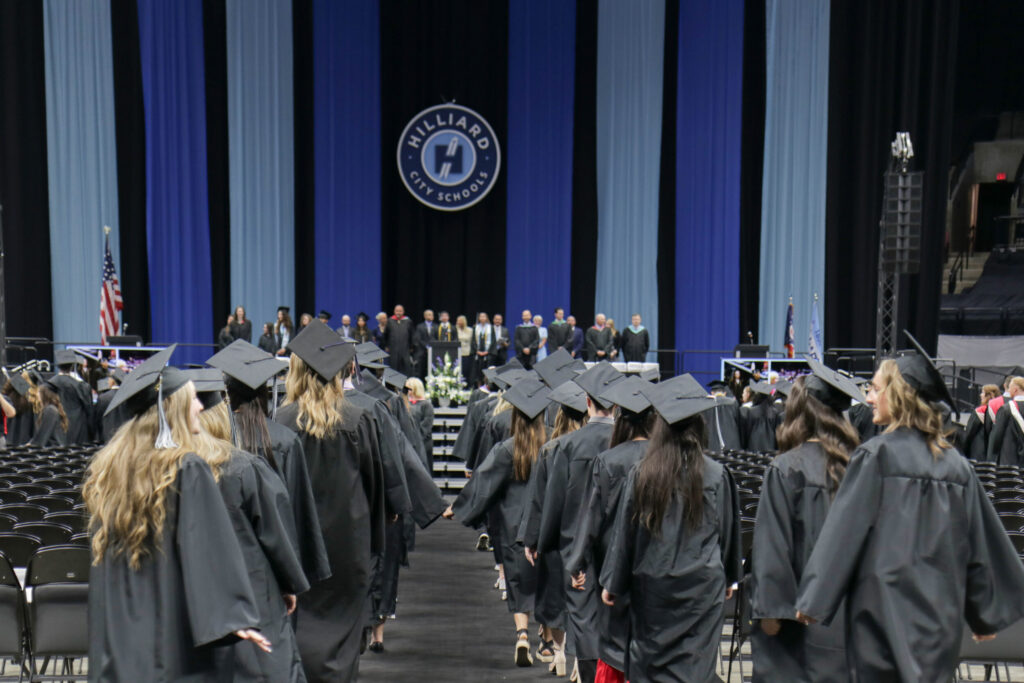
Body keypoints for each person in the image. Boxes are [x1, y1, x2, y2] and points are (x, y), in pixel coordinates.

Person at [795, 333, 1024, 681]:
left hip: (880, 609)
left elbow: (844, 532)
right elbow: (979, 543)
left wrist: (815, 597)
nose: (869, 397)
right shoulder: (956, 466)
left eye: (875, 389)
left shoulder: (876, 456)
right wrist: (982, 613)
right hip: (938, 613)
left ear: (898, 395)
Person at [84, 347, 270, 681]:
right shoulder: (187, 469)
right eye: (193, 400)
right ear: (173, 410)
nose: (200, 406)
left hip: (122, 640)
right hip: (171, 639)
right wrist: (234, 616)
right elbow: (208, 551)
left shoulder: (109, 473)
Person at [599, 375, 742, 683]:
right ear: (700, 426)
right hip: (701, 591)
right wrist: (730, 577)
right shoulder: (716, 475)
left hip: (653, 587)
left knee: (650, 668)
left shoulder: (643, 473)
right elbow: (728, 534)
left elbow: (625, 536)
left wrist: (614, 583)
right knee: (695, 669)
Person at [275, 322, 385, 681]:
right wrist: (374, 542)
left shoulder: (281, 421)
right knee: (344, 637)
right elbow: (375, 485)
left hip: (298, 545)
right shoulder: (358, 419)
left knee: (299, 626)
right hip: (347, 545)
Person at [190, 369, 312, 682]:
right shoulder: (243, 468)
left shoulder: (168, 471)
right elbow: (275, 535)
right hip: (251, 595)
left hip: (194, 602)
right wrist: (289, 584)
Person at [750, 363, 862, 682]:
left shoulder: (787, 468)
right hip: (851, 614)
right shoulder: (862, 467)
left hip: (799, 616)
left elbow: (773, 543)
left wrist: (771, 608)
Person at [206, 339, 331, 587]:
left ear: (225, 393)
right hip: (272, 562)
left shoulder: (213, 439)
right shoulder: (284, 440)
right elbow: (297, 506)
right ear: (265, 391)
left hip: (220, 557)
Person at [445, 377, 551, 667]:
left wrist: (459, 508)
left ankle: (521, 635)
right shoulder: (554, 444)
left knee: (518, 582)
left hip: (514, 523)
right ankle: (548, 641)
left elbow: (484, 482)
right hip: (546, 523)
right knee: (547, 582)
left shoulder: (508, 449)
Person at [536, 363, 624, 683]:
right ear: (617, 405)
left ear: (587, 402)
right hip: (620, 545)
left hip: (577, 547)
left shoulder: (567, 445)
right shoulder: (627, 446)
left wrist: (541, 544)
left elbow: (555, 501)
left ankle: (589, 676)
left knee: (585, 619)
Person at [566, 375, 656, 683]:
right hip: (653, 557)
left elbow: (591, 518)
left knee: (615, 636)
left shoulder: (608, 460)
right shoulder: (664, 461)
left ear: (620, 418)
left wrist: (578, 563)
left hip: (612, 562)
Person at [519, 375, 588, 677]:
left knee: (556, 597)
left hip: (558, 533)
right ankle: (578, 659)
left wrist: (532, 539)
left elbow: (538, 500)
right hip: (588, 533)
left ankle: (559, 653)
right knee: (584, 598)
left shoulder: (551, 449)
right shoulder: (600, 446)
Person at [47, 349, 93, 444]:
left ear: (58, 366)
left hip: (56, 429)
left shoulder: (49, 385)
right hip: (78, 430)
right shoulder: (81, 386)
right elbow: (89, 410)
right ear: (72, 366)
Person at [986, 375, 1024, 465]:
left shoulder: (1006, 409)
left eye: (1010, 388)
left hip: (1010, 457)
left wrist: (994, 452)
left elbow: (998, 434)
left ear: (1015, 390)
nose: (1008, 390)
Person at [964, 383, 1001, 459]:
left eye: (983, 392)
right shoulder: (1001, 411)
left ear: (989, 395)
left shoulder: (980, 411)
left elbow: (969, 432)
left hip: (978, 450)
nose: (980, 395)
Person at [743, 381, 781, 452]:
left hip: (753, 447)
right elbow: (777, 434)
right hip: (770, 447)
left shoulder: (751, 411)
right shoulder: (774, 412)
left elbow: (747, 431)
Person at [707, 379, 743, 451]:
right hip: (732, 445)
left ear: (712, 392)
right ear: (725, 392)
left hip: (712, 446)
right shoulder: (733, 403)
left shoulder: (706, 405)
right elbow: (739, 424)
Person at [405, 377, 435, 465]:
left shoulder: (426, 405)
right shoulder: (405, 404)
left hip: (422, 444)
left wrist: (415, 440)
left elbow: (426, 426)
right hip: (409, 443)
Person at [29, 382, 68, 447]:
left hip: (53, 451)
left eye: (39, 392)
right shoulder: (50, 409)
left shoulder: (50, 410)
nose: (37, 394)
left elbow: (43, 435)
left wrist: (33, 445)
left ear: (44, 394)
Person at [384, 305, 415, 376]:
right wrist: (387, 345)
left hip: (405, 349)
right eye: (397, 311)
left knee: (405, 368)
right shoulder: (390, 321)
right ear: (394, 311)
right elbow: (386, 335)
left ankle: (406, 384)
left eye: (400, 311)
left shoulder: (408, 321)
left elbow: (412, 335)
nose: (398, 312)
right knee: (393, 368)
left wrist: (411, 347)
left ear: (403, 312)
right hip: (393, 350)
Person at [470, 313, 496, 386]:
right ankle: (479, 387)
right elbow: (473, 341)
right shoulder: (476, 327)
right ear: (479, 318)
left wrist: (487, 351)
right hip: (478, 354)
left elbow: (493, 340)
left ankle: (486, 386)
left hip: (487, 354)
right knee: (478, 372)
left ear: (486, 318)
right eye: (481, 317)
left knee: (487, 371)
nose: (482, 318)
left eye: (484, 316)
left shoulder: (490, 328)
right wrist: (477, 351)